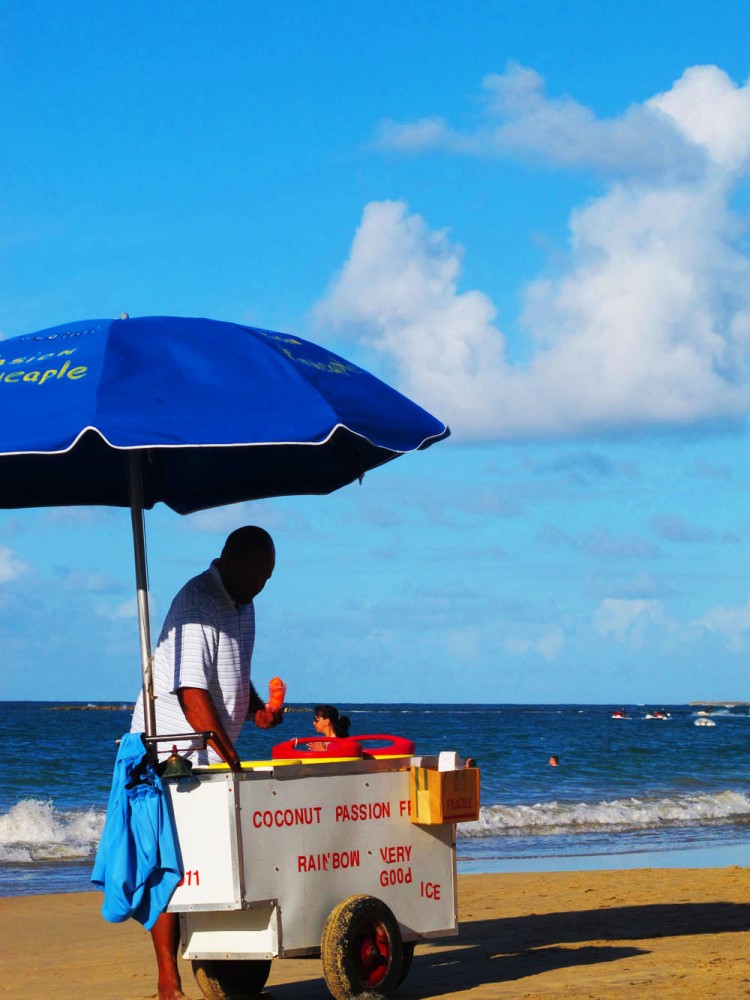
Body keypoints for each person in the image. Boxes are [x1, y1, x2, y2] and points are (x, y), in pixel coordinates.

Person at [130, 525, 281, 1000]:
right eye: (259, 574)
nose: (263, 585)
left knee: (209, 859)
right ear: (231, 559)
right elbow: (190, 691)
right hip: (169, 750)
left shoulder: (244, 603)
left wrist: (257, 709)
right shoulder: (198, 602)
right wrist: (231, 759)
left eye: (269, 576)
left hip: (209, 751)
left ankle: (223, 960)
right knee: (168, 865)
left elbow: (232, 670)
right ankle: (167, 982)